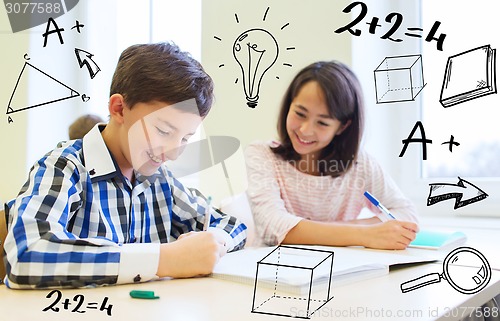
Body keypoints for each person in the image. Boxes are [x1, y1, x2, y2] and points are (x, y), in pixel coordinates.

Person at [3, 42, 247, 289]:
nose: (173, 154)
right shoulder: (65, 167)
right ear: (119, 108)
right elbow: (26, 255)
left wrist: (214, 241)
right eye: (163, 131)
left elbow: (232, 225)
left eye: (185, 138)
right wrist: (164, 259)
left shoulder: (160, 179)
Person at [245, 61, 418, 250]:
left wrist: (336, 232)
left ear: (342, 127)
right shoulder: (262, 154)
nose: (305, 130)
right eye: (300, 114)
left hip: (339, 270)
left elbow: (407, 215)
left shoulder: (360, 164)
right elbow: (273, 226)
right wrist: (364, 234)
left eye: (322, 123)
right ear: (288, 106)